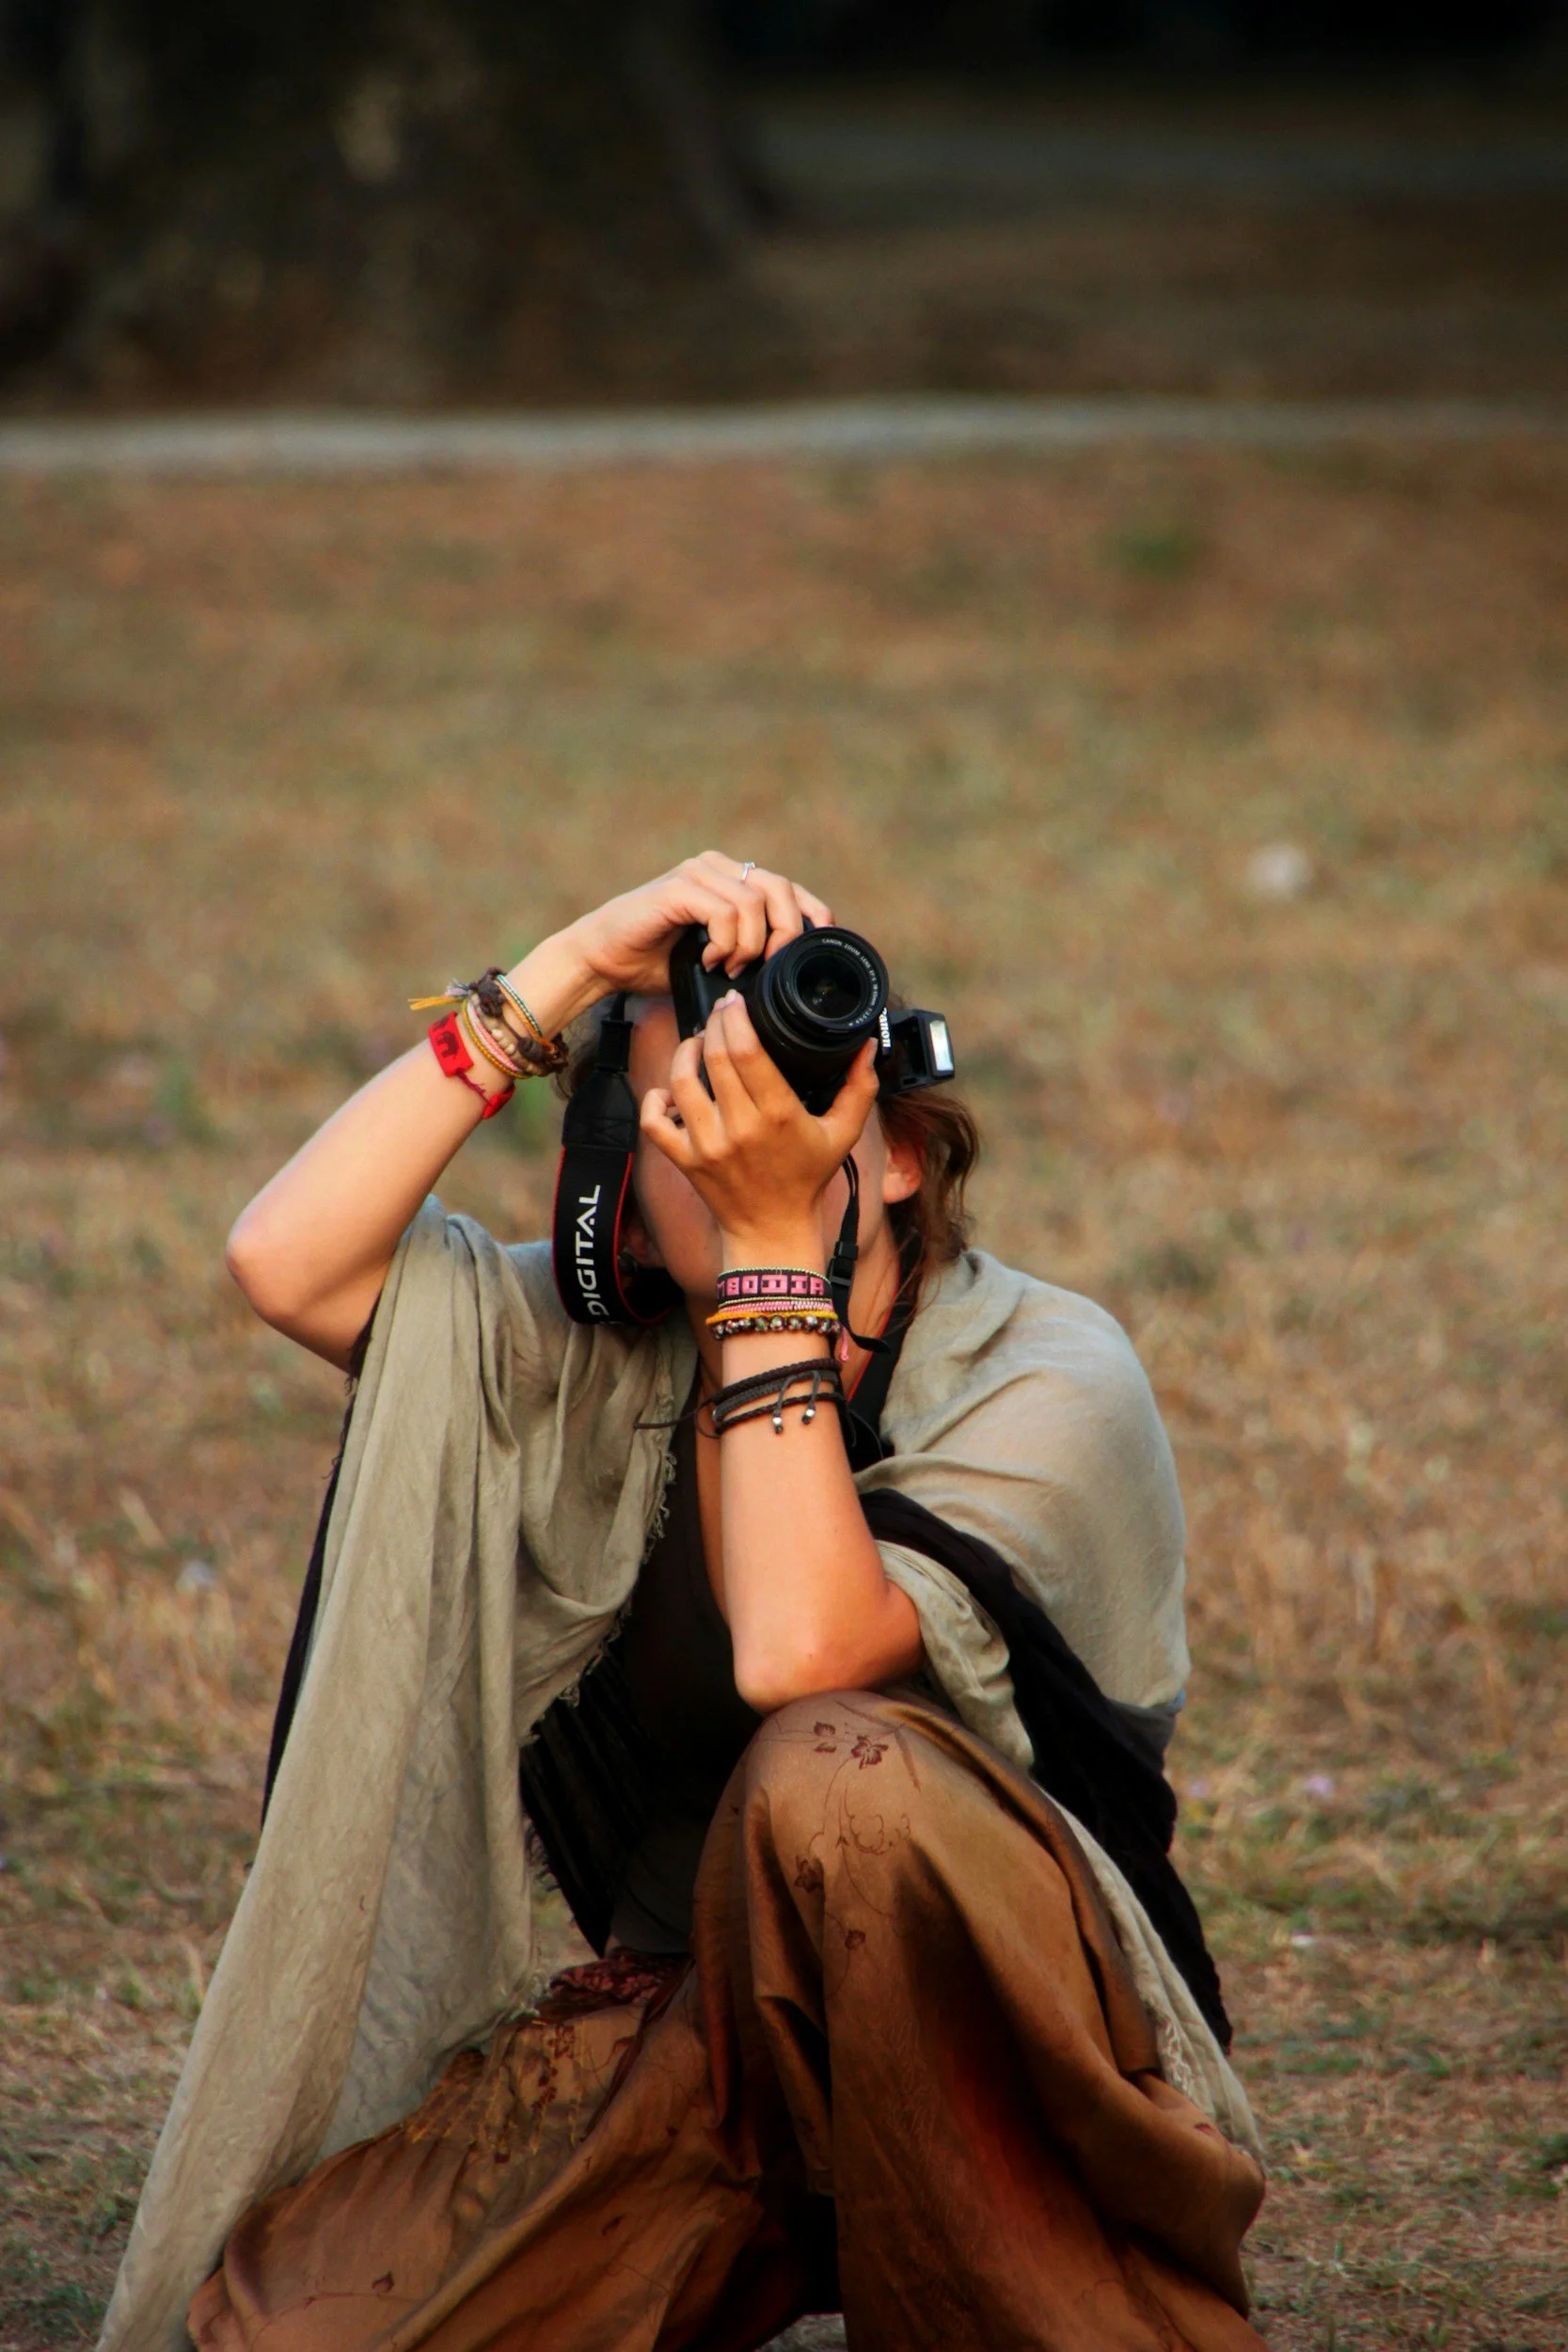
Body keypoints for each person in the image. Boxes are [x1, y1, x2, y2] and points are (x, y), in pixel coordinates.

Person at [99, 853, 1267, 2352]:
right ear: (621, 1193)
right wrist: (569, 966)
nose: (729, 1144)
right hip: (696, 2045)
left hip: (1031, 2057)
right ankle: (738, 2235)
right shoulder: (597, 1354)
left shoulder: (1050, 1374)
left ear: (898, 1152)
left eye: (774, 1103)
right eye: (679, 1116)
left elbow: (802, 1655)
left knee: (835, 1782)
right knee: (277, 2328)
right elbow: (286, 1258)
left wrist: (766, 1262)